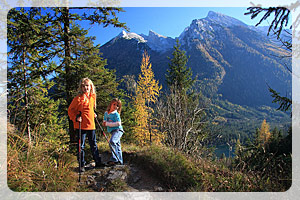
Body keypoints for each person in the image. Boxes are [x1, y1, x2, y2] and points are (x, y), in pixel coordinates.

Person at [68, 77, 104, 171]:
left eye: (87, 86)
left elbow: (89, 109)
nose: (85, 88)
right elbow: (70, 110)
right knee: (81, 146)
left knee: (93, 144)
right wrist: (76, 117)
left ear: (91, 86)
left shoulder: (92, 97)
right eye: (83, 86)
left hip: (91, 124)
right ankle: (81, 165)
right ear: (81, 88)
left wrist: (93, 114)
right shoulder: (78, 99)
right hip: (81, 126)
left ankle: (98, 162)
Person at [103, 98, 124, 166]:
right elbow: (104, 122)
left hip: (118, 130)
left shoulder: (116, 114)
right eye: (114, 104)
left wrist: (107, 124)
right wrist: (105, 123)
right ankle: (120, 161)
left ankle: (114, 159)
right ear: (111, 104)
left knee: (112, 142)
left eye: (117, 105)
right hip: (112, 131)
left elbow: (118, 124)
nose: (115, 106)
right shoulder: (106, 113)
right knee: (117, 145)